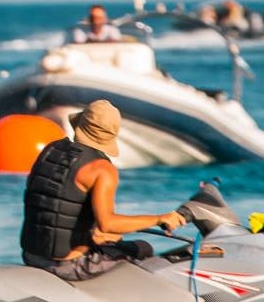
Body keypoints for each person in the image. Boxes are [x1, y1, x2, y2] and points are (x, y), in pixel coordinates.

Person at [20, 100, 185, 280]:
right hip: (68, 266)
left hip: (31, 256)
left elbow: (54, 206)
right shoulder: (102, 169)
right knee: (143, 248)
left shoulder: (50, 150)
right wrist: (160, 218)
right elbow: (107, 224)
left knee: (113, 241)